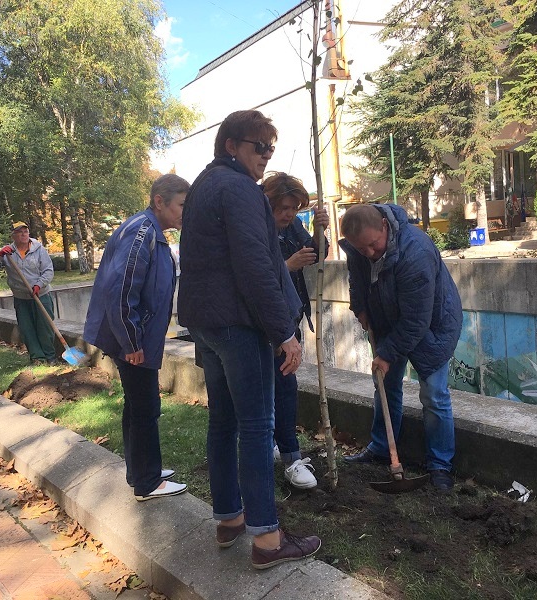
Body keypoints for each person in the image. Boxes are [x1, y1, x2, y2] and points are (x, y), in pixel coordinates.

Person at [178, 110, 321, 569]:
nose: (266, 156)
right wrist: (284, 332)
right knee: (257, 426)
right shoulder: (239, 189)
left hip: (207, 324)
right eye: (259, 147)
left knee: (223, 423)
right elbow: (256, 265)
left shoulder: (204, 185)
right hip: (239, 325)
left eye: (270, 149)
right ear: (231, 145)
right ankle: (268, 540)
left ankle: (230, 519)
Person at [338, 203, 462, 492]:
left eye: (373, 244)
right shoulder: (359, 248)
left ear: (384, 225)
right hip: (386, 319)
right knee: (385, 386)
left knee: (434, 394)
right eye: (361, 248)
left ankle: (440, 465)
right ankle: (382, 448)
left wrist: (386, 354)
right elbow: (357, 280)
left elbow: (416, 321)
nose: (369, 253)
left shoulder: (416, 252)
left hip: (432, 327)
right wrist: (360, 307)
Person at [83, 174, 190, 501]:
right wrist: (131, 342)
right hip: (132, 337)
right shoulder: (142, 232)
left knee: (137, 404)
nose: (185, 212)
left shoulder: (150, 231)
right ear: (160, 201)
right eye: (182, 205)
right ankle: (147, 482)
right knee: (145, 406)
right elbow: (121, 290)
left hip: (135, 334)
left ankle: (139, 470)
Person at [262, 172, 329, 490]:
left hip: (289, 318)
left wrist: (320, 232)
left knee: (285, 386)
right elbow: (256, 276)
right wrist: (287, 266)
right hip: (265, 322)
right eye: (284, 208)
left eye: (294, 208)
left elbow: (317, 254)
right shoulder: (255, 229)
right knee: (277, 388)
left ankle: (281, 448)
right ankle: (288, 456)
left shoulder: (291, 227)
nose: (289, 214)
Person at [0, 222, 56, 365]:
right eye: (19, 232)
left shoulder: (38, 249)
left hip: (41, 294)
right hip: (21, 297)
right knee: (27, 328)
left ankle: (50, 356)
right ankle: (37, 357)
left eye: (25, 231)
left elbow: (48, 271)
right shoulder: (8, 253)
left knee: (45, 326)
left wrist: (39, 285)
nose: (24, 234)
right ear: (13, 236)